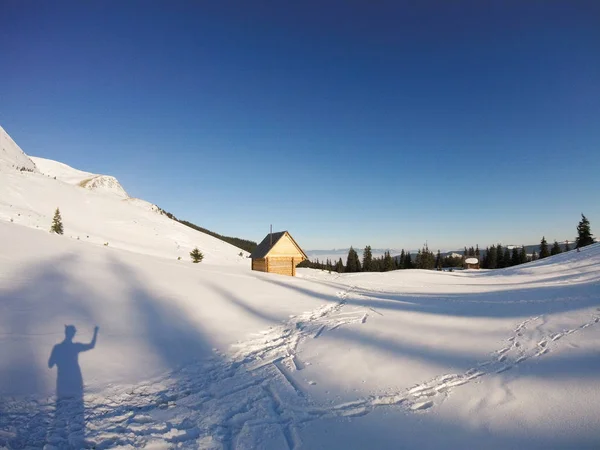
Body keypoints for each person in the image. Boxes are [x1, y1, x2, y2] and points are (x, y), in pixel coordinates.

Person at [47, 325, 99, 447]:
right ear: (72, 334)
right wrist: (96, 332)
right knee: (77, 408)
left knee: (61, 410)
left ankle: (58, 440)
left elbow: (50, 364)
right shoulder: (75, 347)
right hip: (75, 379)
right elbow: (91, 346)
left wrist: (58, 358)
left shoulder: (58, 348)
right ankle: (74, 441)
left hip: (62, 381)